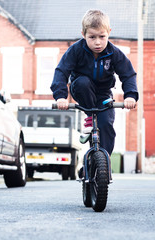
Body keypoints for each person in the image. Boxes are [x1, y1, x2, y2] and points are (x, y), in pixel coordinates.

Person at [50, 9, 138, 156]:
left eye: (102, 36)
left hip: (103, 96)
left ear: (109, 32)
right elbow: (61, 72)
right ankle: (90, 116)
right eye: (92, 37)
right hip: (81, 90)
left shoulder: (113, 53)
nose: (97, 42)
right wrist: (60, 97)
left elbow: (128, 74)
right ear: (83, 34)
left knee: (106, 126)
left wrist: (130, 96)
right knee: (83, 82)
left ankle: (103, 160)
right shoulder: (76, 50)